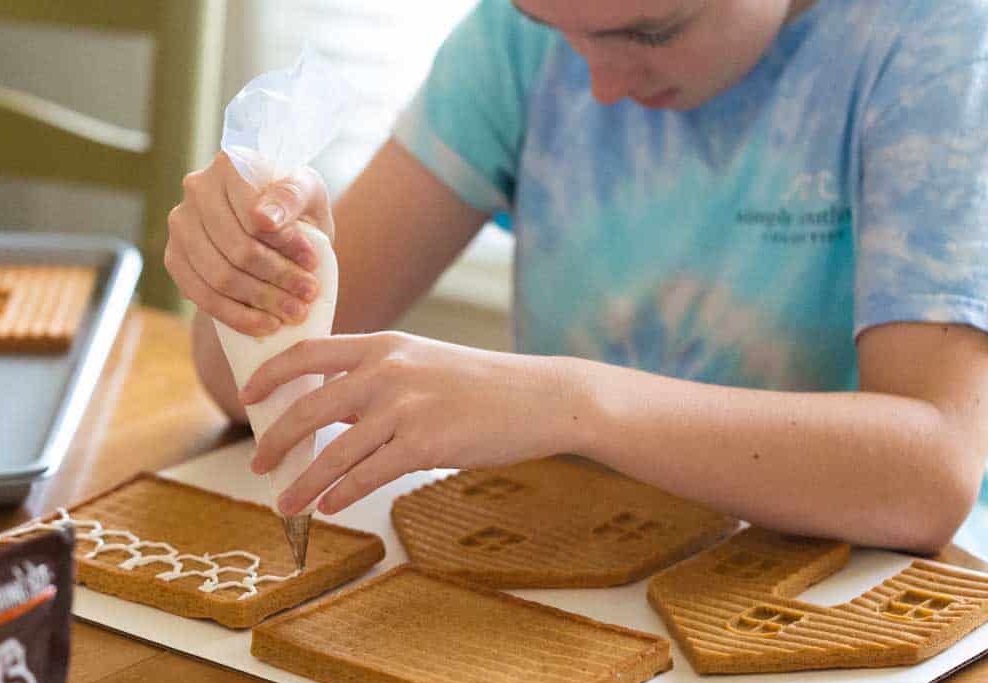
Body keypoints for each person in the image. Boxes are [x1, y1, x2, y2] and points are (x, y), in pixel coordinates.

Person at [164, 0, 988, 554]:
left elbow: (931, 475)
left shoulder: (935, 47)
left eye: (652, 33)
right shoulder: (518, 38)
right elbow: (238, 393)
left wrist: (575, 405)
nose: (599, 83)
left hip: (844, 606)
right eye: (552, 25)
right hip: (570, 571)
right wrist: (270, 277)